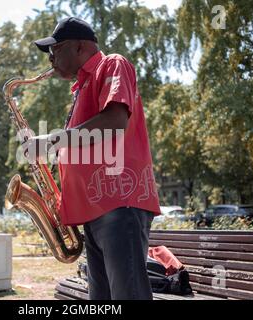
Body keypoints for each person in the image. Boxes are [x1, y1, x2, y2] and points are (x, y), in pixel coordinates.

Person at [24, 17, 161, 300]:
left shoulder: (112, 64)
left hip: (119, 204)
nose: (51, 59)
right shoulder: (81, 89)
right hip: (98, 211)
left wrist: (50, 141)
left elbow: (114, 121)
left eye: (55, 49)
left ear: (80, 46)